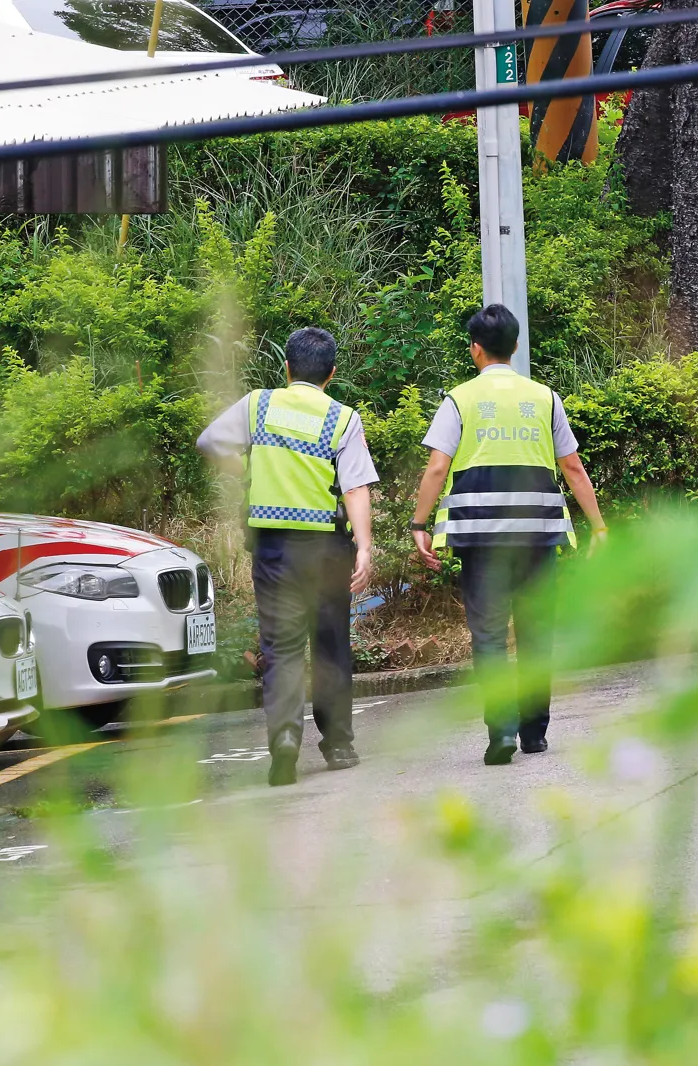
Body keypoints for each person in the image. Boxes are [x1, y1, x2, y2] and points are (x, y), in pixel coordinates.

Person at [408, 305, 606, 766]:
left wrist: (419, 524)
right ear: (516, 346)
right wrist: (598, 526)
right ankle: (534, 733)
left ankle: (500, 731)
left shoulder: (459, 400)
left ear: (474, 348)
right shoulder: (544, 398)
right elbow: (572, 467)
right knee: (537, 632)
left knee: (490, 634)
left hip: (481, 536)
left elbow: (438, 466)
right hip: (537, 534)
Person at [196, 327, 378, 786]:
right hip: (324, 548)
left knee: (281, 648)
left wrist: (246, 469)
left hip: (273, 547)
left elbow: (210, 443)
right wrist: (364, 546)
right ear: (331, 374)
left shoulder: (258, 404)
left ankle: (284, 741)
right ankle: (337, 745)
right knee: (332, 643)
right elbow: (355, 486)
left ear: (287, 368)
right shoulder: (342, 417)